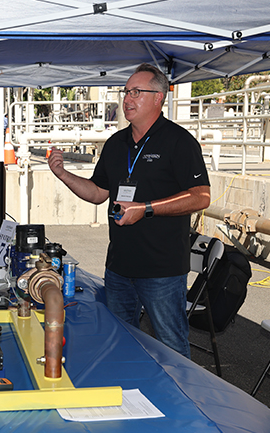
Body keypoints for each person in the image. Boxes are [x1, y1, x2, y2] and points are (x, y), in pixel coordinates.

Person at [48, 63, 210, 357]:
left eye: (136, 92)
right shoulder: (115, 143)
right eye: (125, 92)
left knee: (171, 348)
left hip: (161, 271)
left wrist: (146, 209)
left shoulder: (179, 141)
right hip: (119, 268)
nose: (127, 99)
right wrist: (63, 175)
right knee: (118, 344)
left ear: (158, 97)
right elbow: (98, 193)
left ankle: (180, 400)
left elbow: (201, 197)